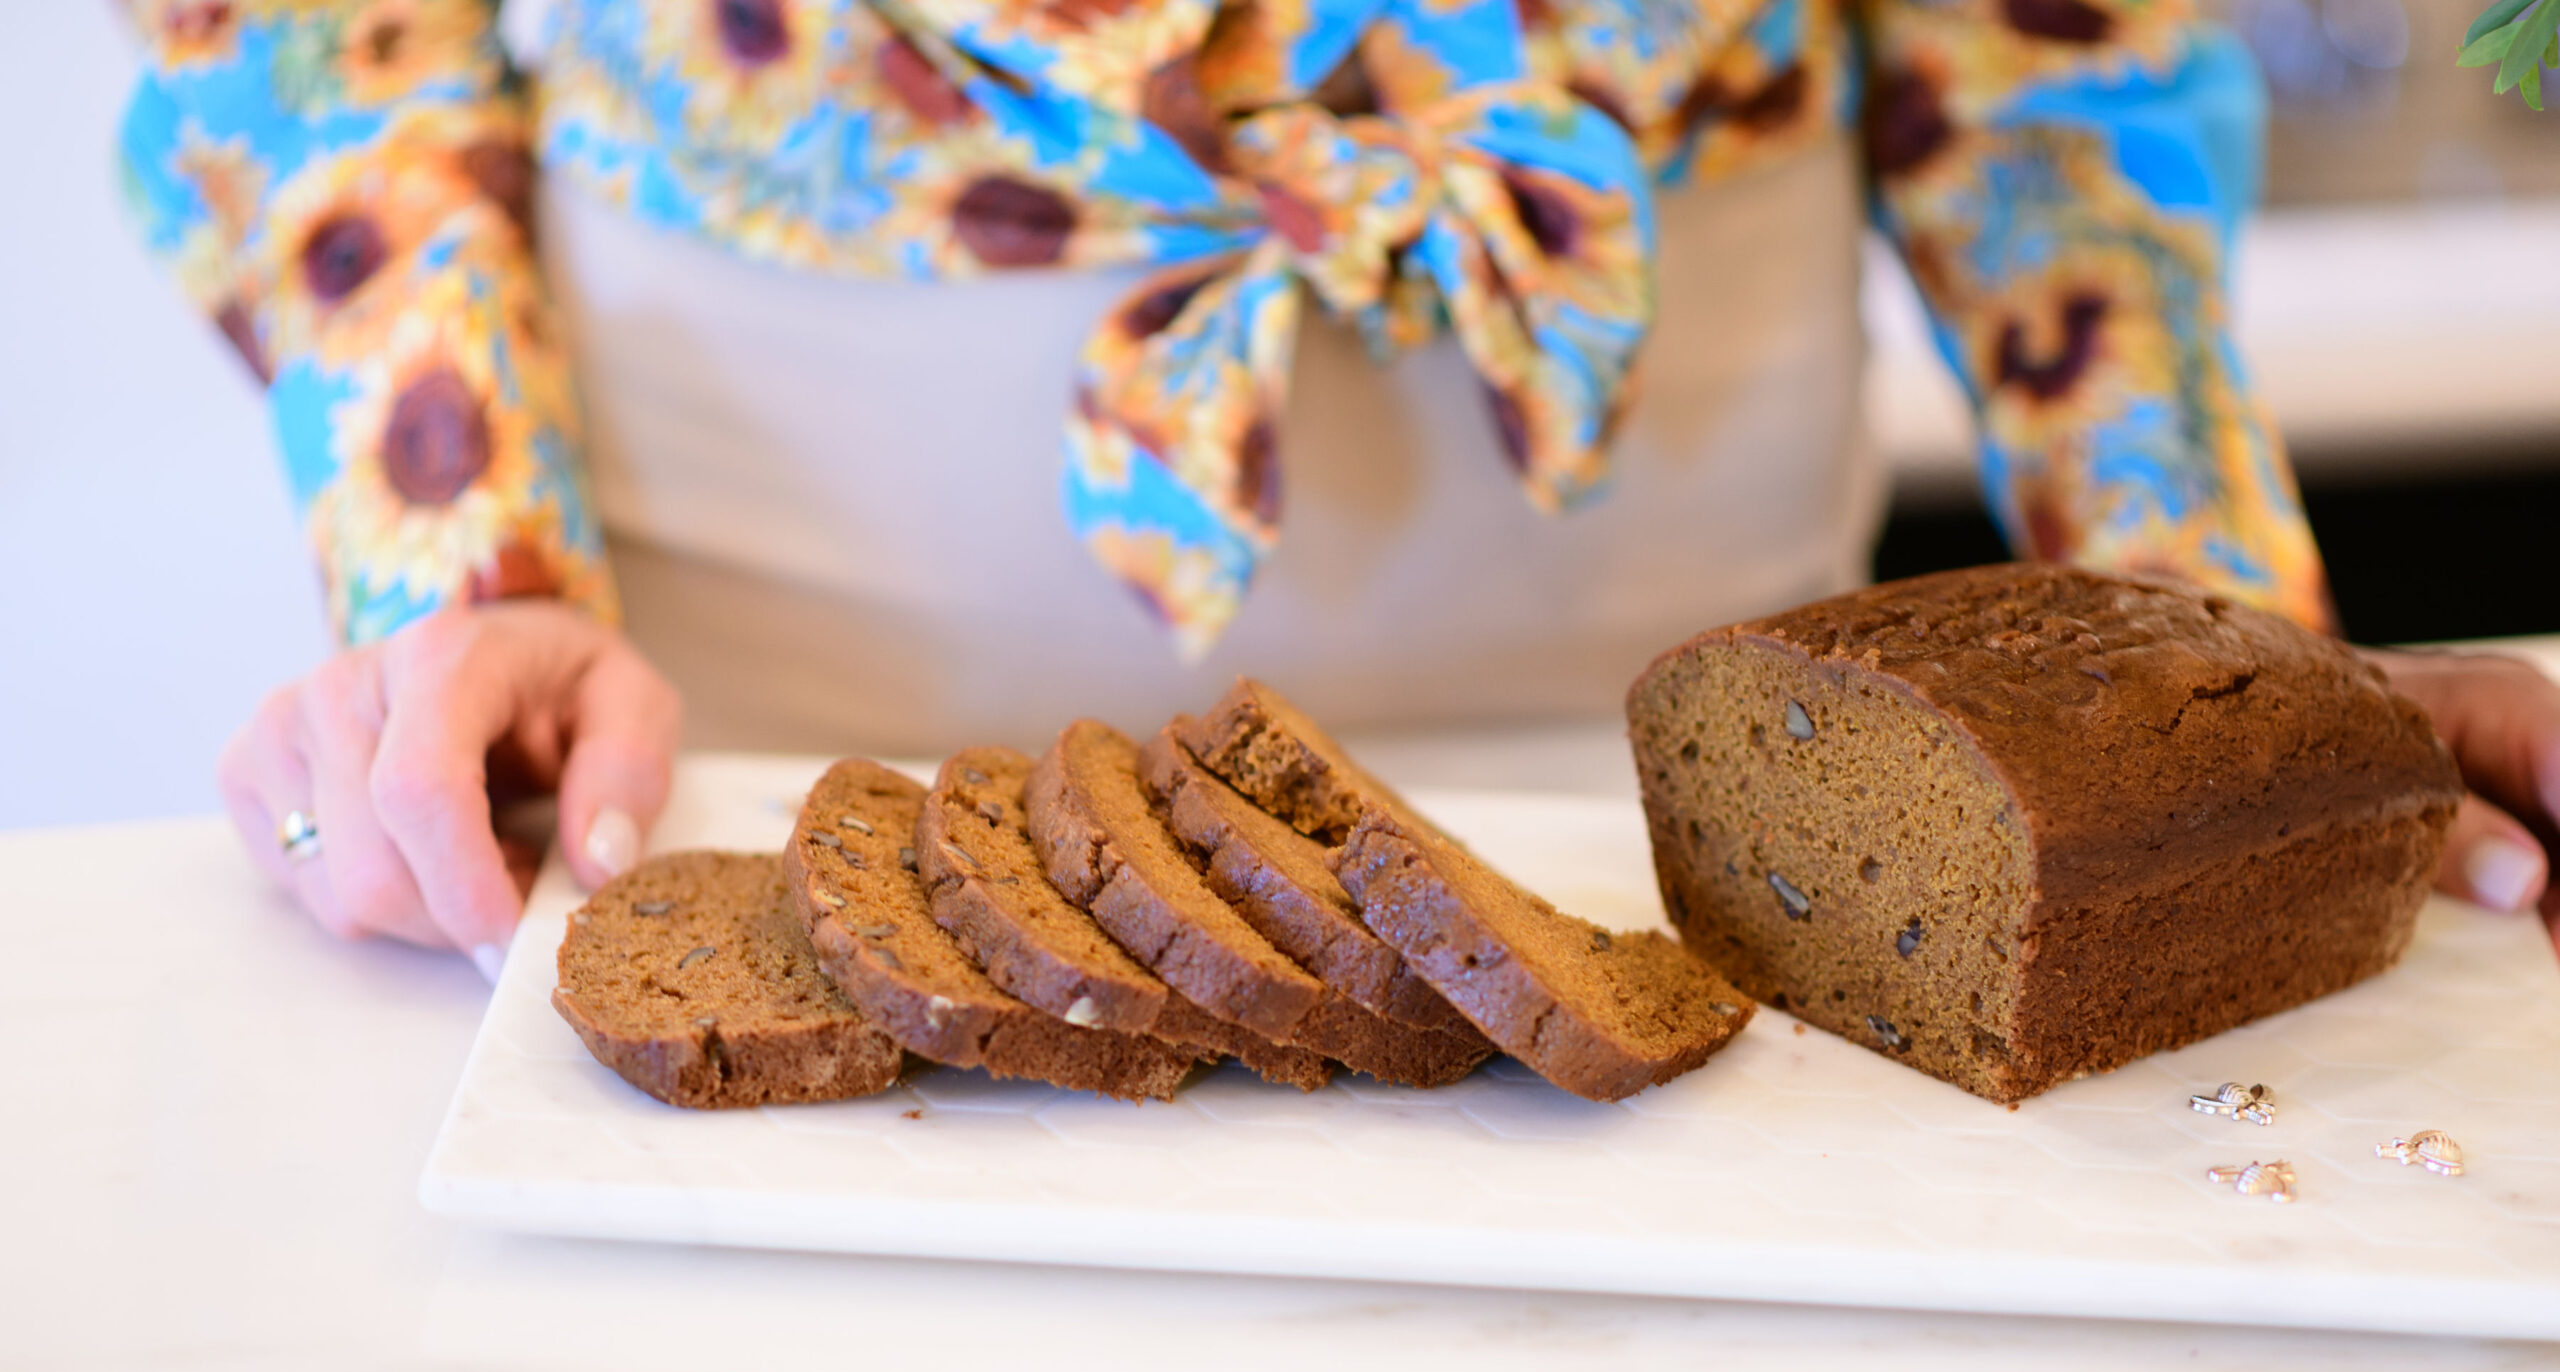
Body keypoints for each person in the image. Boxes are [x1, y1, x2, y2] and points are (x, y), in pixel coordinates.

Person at [123, 0, 2558, 981]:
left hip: (1720, 795)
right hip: (755, 756)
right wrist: (462, 576)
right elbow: (325, 50)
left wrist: (2215, 687)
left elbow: (2043, 62)